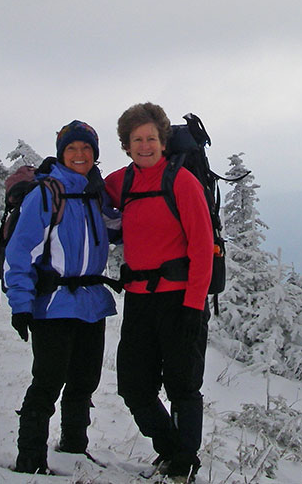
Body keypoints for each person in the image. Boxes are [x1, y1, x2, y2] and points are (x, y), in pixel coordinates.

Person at [104, 102, 213, 482]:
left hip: (181, 299)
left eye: (151, 138)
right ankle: (171, 449)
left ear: (163, 141)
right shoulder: (122, 182)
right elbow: (83, 194)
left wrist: (193, 307)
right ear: (126, 144)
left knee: (183, 386)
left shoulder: (182, 182)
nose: (145, 145)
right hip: (139, 299)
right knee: (134, 386)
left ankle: (183, 464)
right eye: (137, 139)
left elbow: (202, 247)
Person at [4, 120, 118, 475]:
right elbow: (21, 252)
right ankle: (30, 458)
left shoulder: (95, 194)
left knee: (85, 380)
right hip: (52, 303)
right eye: (72, 149)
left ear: (95, 155)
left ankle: (73, 448)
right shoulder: (45, 194)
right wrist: (21, 305)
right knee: (49, 380)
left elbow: (121, 230)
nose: (80, 155)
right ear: (61, 153)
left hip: (91, 302)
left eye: (86, 149)